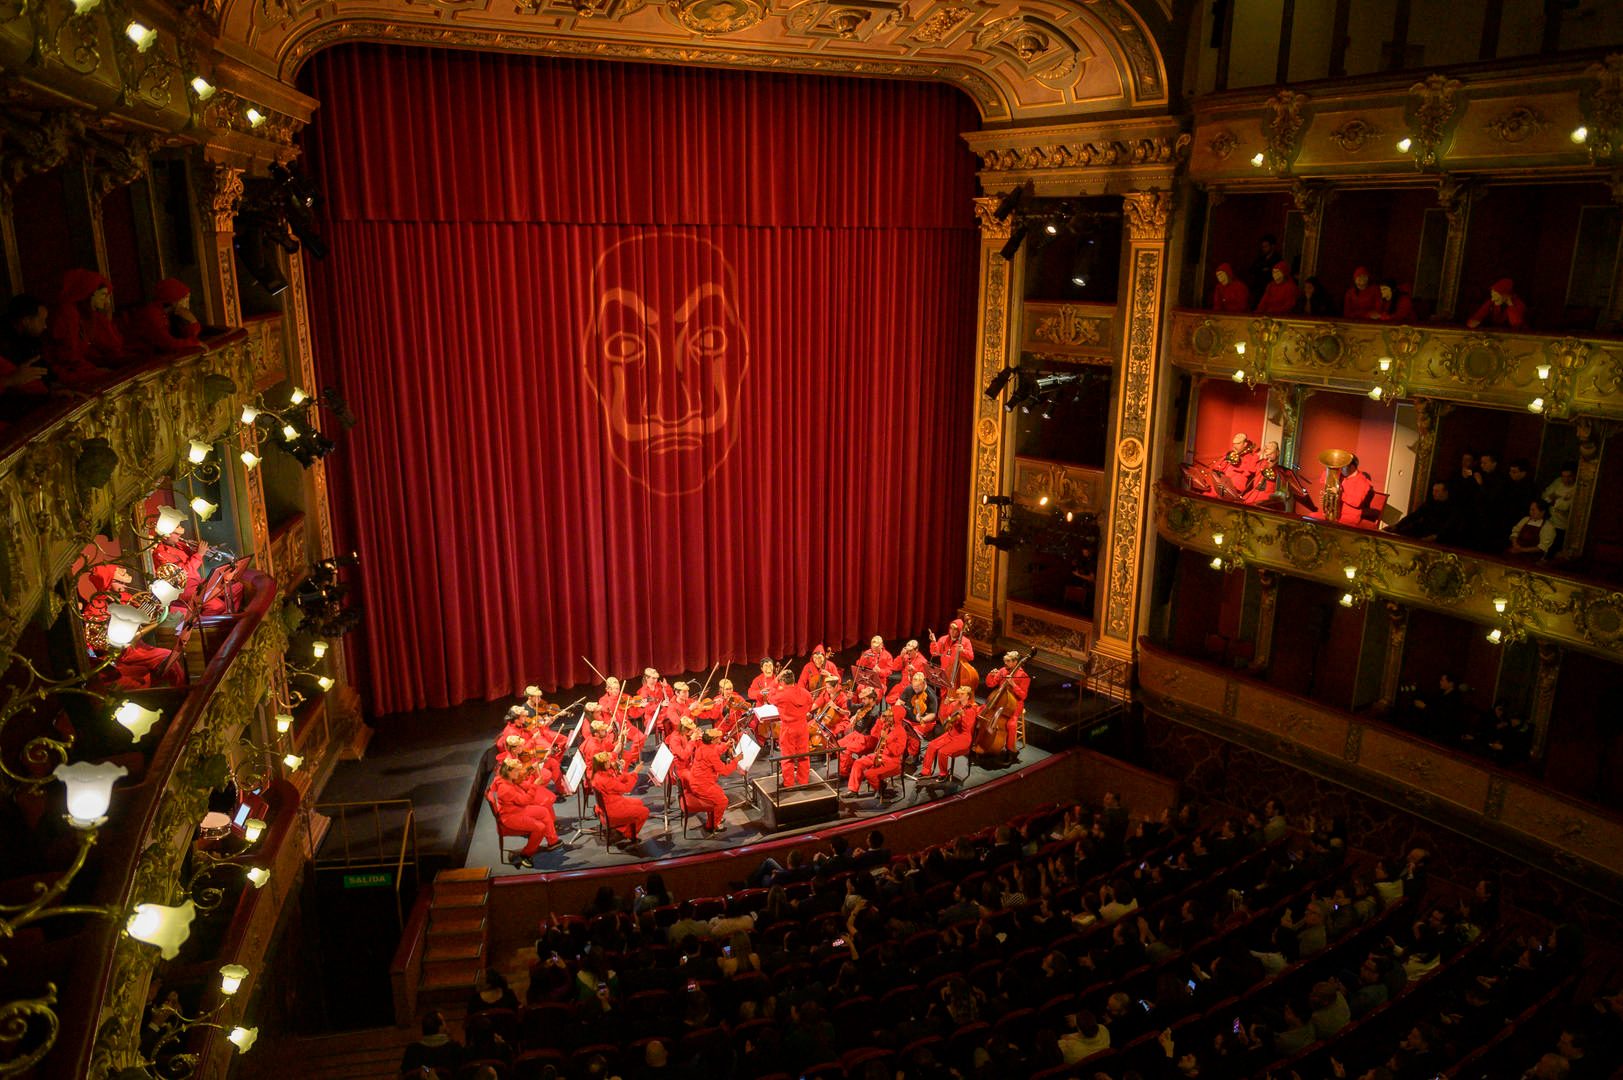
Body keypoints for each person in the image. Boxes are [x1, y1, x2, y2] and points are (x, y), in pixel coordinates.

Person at [46, 268, 123, 385]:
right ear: (88, 293)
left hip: (78, 367)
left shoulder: (85, 314)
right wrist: (94, 370)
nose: (107, 302)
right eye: (103, 295)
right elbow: (69, 357)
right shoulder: (68, 313)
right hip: (61, 373)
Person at [489, 757, 560, 867]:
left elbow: (521, 785)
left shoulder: (504, 778)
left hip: (517, 810)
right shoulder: (505, 789)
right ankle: (526, 854)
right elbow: (525, 801)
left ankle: (553, 841)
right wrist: (535, 785)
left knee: (544, 811)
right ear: (509, 772)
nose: (518, 773)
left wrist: (531, 780)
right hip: (511, 817)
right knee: (540, 827)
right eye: (516, 771)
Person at [845, 704, 907, 801]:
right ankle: (853, 790)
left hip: (893, 761)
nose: (888, 716)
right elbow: (874, 734)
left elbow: (897, 752)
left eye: (890, 715)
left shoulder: (901, 732)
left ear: (896, 717)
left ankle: (880, 789)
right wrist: (879, 721)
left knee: (869, 774)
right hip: (879, 755)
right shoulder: (887, 726)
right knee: (858, 763)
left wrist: (887, 740)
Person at [124, 278, 202, 354]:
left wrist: (193, 321)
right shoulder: (152, 314)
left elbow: (187, 337)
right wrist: (195, 342)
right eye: (185, 299)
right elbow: (169, 345)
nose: (187, 304)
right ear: (173, 299)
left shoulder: (169, 314)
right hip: (137, 358)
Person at [590, 751, 648, 845]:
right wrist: (635, 773)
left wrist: (630, 774)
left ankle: (622, 828)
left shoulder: (598, 774)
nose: (610, 762)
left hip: (611, 802)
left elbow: (616, 779)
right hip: (612, 810)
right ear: (602, 765)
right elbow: (626, 788)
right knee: (644, 812)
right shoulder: (605, 780)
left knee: (639, 802)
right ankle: (628, 834)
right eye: (608, 762)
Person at [685, 728, 736, 833]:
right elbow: (724, 771)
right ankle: (714, 824)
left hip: (698, 782)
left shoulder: (703, 746)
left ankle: (712, 821)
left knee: (719, 793)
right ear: (712, 740)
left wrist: (726, 745)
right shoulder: (710, 753)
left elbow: (716, 749)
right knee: (723, 801)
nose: (720, 738)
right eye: (718, 737)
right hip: (701, 785)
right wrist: (736, 760)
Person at [769, 667, 814, 787]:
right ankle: (803, 781)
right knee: (803, 755)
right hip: (803, 726)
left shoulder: (782, 695)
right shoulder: (805, 693)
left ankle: (788, 783)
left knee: (788, 757)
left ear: (782, 682)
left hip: (788, 729)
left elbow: (770, 698)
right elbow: (810, 704)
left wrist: (774, 683)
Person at [982, 650, 1029, 762]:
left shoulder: (1024, 676)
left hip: (1015, 704)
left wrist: (1013, 684)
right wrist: (991, 675)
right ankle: (983, 741)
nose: (1005, 663)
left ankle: (1011, 750)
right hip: (999, 701)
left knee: (1011, 724)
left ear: (1015, 662)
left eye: (1008, 661)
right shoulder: (1003, 670)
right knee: (983, 712)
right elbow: (991, 684)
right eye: (1005, 661)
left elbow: (1023, 695)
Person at [922, 684, 977, 779]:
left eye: (962, 694)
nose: (959, 696)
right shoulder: (954, 704)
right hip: (951, 733)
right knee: (931, 745)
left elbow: (968, 727)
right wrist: (945, 704)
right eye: (959, 694)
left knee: (942, 752)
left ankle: (943, 774)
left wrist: (963, 715)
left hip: (963, 737)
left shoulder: (971, 709)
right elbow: (944, 716)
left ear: (968, 696)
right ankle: (926, 771)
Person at [1391, 481, 1466, 545]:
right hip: (1424, 534)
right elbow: (1415, 515)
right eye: (1433, 490)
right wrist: (1397, 526)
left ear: (1445, 492)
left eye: (1437, 491)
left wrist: (1436, 537)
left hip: (1441, 540)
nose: (1433, 493)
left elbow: (1449, 527)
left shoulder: (1454, 508)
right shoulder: (1430, 503)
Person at [399, 1011, 463, 1076]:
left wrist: (427, 1070)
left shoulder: (412, 1050)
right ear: (440, 1027)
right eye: (444, 1021)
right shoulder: (453, 1048)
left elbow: (405, 1073)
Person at [1543, 462, 1576, 553]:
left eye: (1569, 476)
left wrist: (1555, 500)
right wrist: (1556, 500)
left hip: (1564, 525)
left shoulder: (1577, 487)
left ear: (1574, 476)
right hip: (1551, 520)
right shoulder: (1558, 482)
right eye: (1563, 476)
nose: (1566, 479)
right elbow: (1546, 497)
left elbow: (1566, 507)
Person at [1247, 234, 1278, 300]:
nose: (1263, 249)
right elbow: (1251, 269)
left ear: (1272, 246)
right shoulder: (1260, 258)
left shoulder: (1277, 259)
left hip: (1270, 289)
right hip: (1258, 288)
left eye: (1266, 246)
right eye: (1263, 247)